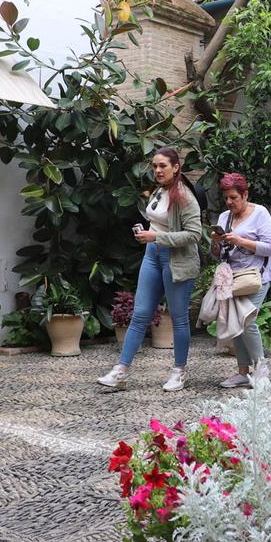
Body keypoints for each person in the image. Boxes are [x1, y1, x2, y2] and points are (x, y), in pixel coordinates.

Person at [98, 147, 202, 391]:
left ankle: (179, 372)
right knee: (140, 314)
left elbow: (195, 234)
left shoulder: (185, 196)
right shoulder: (158, 191)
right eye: (155, 166)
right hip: (152, 255)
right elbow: (158, 221)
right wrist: (148, 234)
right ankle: (121, 371)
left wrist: (157, 237)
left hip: (176, 260)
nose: (157, 170)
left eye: (163, 166)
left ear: (176, 167)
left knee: (178, 319)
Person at [211, 172, 271, 388]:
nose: (229, 202)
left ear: (245, 194)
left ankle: (261, 370)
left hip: (257, 276)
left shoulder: (260, 213)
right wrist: (216, 243)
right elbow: (218, 255)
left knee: (247, 321)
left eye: (234, 198)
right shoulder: (224, 217)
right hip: (234, 278)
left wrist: (240, 240)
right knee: (235, 323)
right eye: (226, 198)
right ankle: (242, 372)